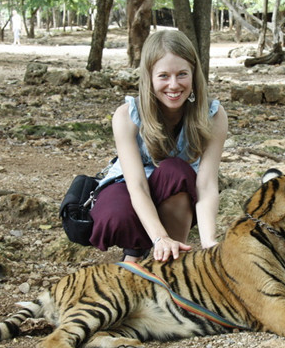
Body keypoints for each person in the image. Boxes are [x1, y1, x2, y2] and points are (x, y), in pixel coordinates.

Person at [89, 30, 228, 263]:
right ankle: (136, 253)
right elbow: (138, 186)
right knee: (116, 215)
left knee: (177, 171)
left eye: (182, 74)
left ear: (194, 74)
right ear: (149, 78)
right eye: (163, 76)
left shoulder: (213, 115)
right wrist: (159, 237)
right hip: (130, 188)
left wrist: (208, 242)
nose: (174, 85)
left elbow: (205, 185)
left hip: (177, 194)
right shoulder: (127, 116)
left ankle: (172, 258)